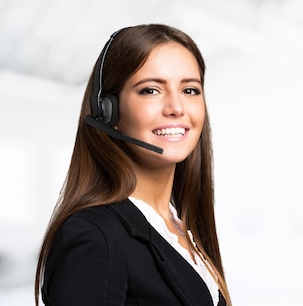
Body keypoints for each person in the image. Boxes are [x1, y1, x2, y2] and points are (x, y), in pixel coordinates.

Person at [34, 24, 231, 306]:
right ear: (107, 111)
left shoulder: (179, 229)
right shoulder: (93, 236)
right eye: (151, 90)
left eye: (190, 90)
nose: (176, 107)